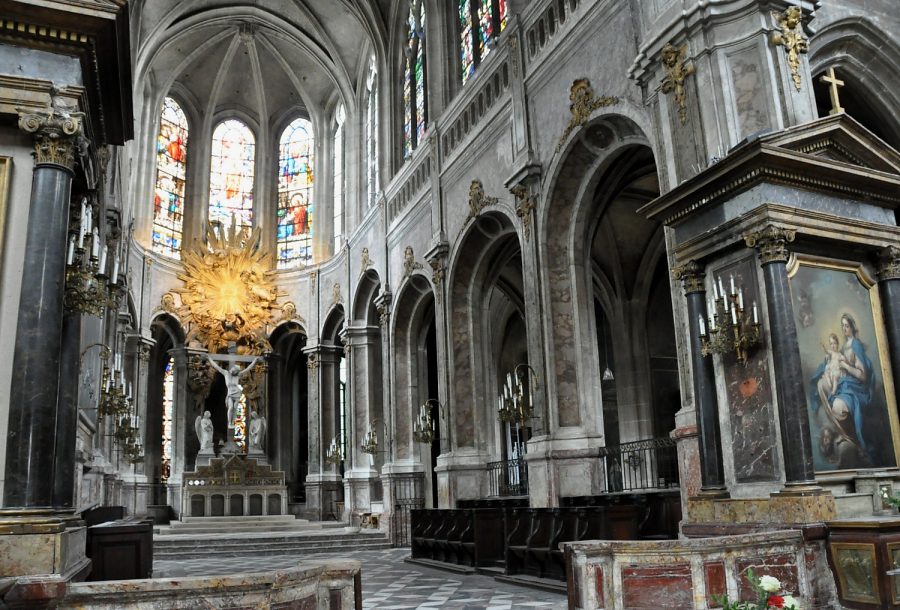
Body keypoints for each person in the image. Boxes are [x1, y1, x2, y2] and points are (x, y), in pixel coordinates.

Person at [811, 313, 875, 462]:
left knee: (837, 407)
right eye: (843, 326)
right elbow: (833, 359)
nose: (844, 328)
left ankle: (854, 440)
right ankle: (843, 433)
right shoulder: (844, 346)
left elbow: (863, 375)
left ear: (852, 327)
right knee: (821, 385)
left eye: (847, 325)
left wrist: (846, 366)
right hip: (843, 382)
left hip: (854, 386)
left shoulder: (855, 345)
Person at [206, 355, 262, 430]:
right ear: (232, 369)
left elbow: (248, 369)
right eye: (234, 370)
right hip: (230, 394)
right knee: (231, 408)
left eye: (236, 372)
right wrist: (209, 359)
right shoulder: (226, 373)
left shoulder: (238, 375)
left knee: (235, 408)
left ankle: (233, 423)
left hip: (237, 394)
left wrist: (254, 361)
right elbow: (216, 367)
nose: (234, 372)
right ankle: (230, 423)